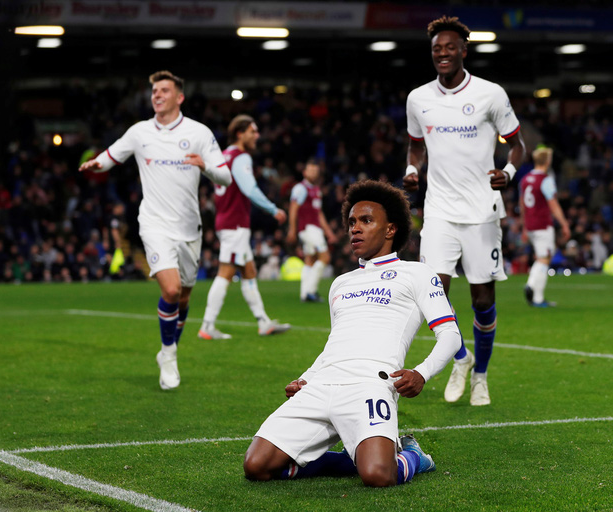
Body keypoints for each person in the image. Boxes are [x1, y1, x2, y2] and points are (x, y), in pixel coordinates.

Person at [243, 179, 461, 487]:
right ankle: (358, 458)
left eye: (366, 221)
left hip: (370, 385)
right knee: (256, 466)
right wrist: (307, 376)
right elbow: (338, 343)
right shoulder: (340, 283)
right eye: (351, 222)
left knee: (378, 475)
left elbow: (451, 335)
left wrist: (422, 373)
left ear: (391, 229)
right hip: (322, 384)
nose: (354, 229)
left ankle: (412, 454)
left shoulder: (418, 273)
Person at [78, 70, 232, 390]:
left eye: (164, 90)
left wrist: (203, 166)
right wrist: (96, 164)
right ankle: (169, 354)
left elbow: (225, 176)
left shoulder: (199, 133)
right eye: (154, 91)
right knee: (172, 290)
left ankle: (169, 349)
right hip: (154, 223)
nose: (157, 95)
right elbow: (112, 154)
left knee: (186, 296)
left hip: (190, 227)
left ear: (180, 97)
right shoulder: (140, 132)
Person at [403, 16, 526, 405]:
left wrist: (507, 171)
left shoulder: (491, 94)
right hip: (439, 209)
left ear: (463, 51)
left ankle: (481, 376)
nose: (443, 53)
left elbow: (516, 144)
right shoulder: (418, 99)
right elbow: (416, 145)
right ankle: (461, 357)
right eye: (437, 48)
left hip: (482, 211)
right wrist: (411, 169)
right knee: (432, 292)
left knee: (483, 300)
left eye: (450, 47)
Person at [197, 115, 290, 340]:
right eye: (252, 131)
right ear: (240, 133)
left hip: (227, 220)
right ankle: (207, 325)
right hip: (235, 223)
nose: (257, 135)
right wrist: (272, 208)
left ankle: (263, 322)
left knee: (249, 271)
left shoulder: (222, 156)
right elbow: (249, 188)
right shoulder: (240, 157)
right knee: (226, 272)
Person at [520, 147, 571, 307]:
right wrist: (564, 223)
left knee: (542, 257)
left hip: (531, 224)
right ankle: (535, 293)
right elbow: (553, 204)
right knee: (544, 258)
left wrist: (524, 226)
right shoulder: (545, 179)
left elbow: (522, 205)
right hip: (542, 224)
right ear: (547, 161)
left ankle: (534, 290)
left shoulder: (526, 179)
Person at [286, 158, 337, 302]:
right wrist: (292, 229)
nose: (313, 173)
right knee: (325, 257)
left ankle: (304, 293)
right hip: (308, 228)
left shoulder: (316, 190)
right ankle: (311, 291)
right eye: (311, 170)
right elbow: (293, 208)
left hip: (314, 229)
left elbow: (319, 213)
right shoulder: (301, 188)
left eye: (315, 171)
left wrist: (329, 233)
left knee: (310, 259)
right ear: (304, 172)